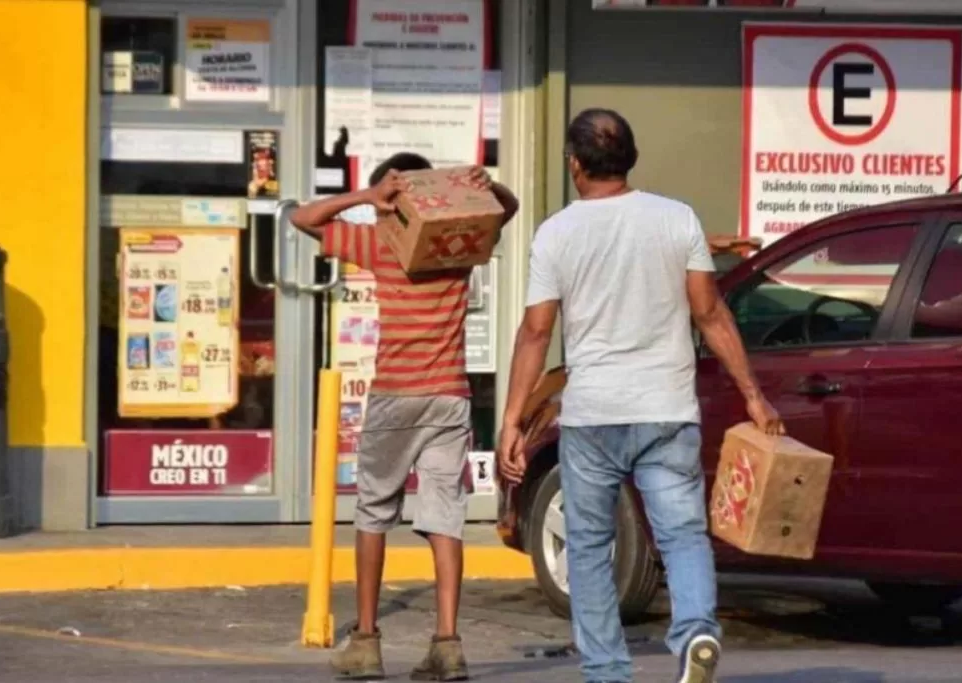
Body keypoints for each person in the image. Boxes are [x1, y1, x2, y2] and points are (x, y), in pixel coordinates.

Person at [497, 109, 784, 683]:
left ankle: (606, 670)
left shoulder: (557, 233)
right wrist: (754, 395)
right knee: (681, 535)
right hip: (668, 410)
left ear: (576, 164)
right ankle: (698, 629)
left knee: (589, 545)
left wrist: (512, 418)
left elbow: (535, 331)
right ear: (630, 159)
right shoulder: (677, 220)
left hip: (593, 416)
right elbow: (709, 312)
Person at [291, 152, 519, 681]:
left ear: (395, 204)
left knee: (373, 514)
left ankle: (367, 642)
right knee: (446, 520)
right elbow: (504, 210)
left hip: (396, 395)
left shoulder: (379, 243)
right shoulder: (460, 245)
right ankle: (447, 643)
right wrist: (487, 188)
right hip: (449, 398)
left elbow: (302, 218)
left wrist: (365, 196)